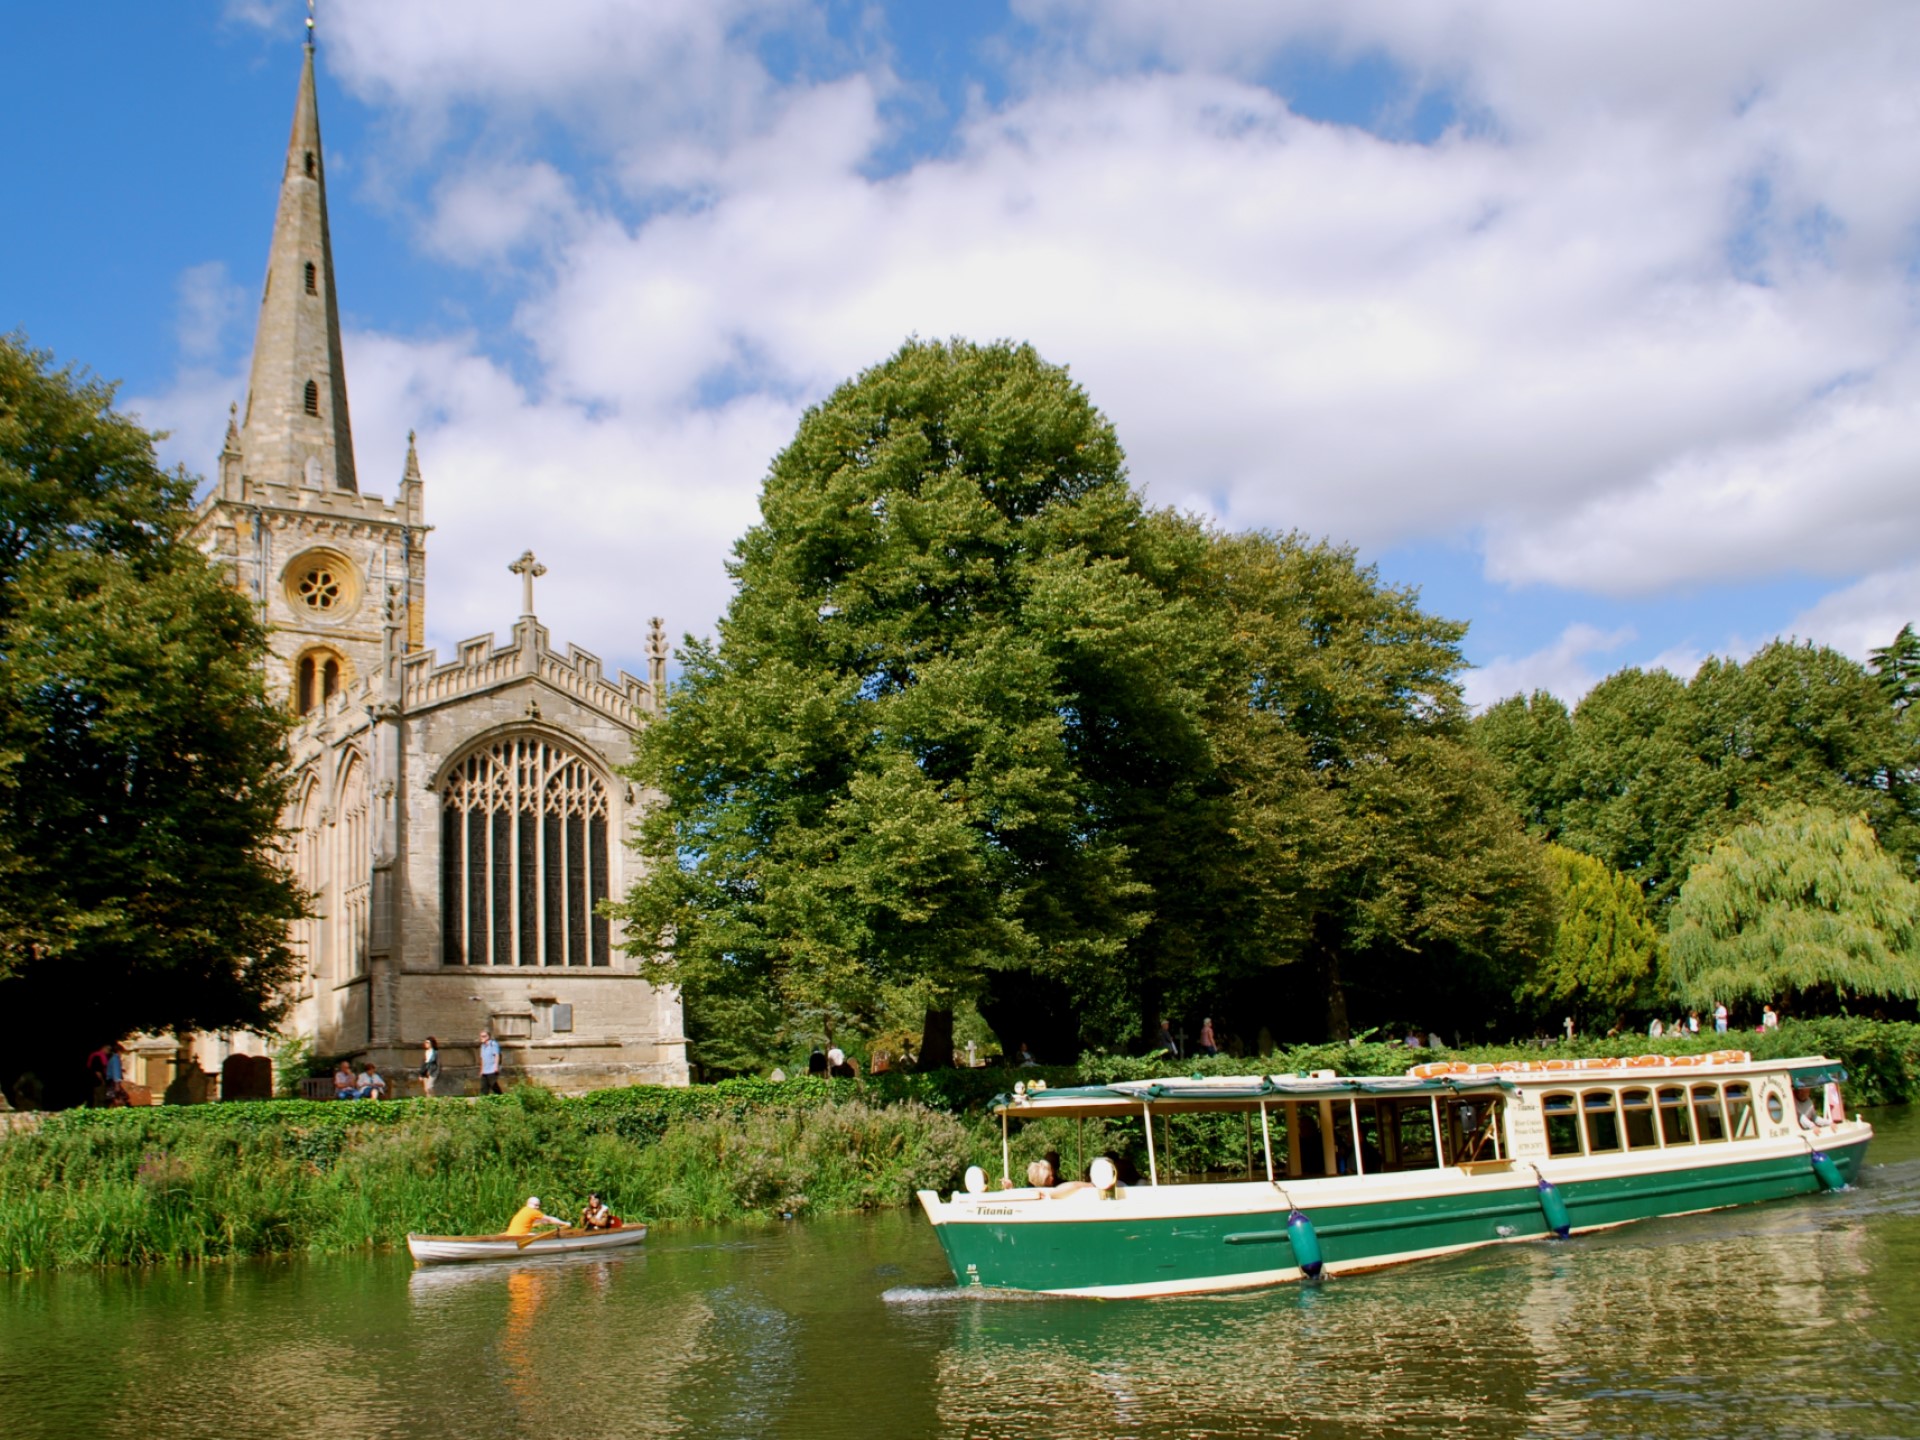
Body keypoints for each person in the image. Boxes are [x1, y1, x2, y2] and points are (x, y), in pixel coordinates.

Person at [478, 1028, 503, 1095]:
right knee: (484, 1086)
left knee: (493, 1084)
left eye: (484, 1036)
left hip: (492, 1069)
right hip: (485, 1070)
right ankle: (483, 1100)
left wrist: (496, 1067)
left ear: (488, 1037)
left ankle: (501, 1097)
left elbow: (496, 1055)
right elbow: (482, 1058)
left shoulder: (493, 1044)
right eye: (481, 1036)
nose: (481, 1038)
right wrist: (481, 1070)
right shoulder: (482, 1046)